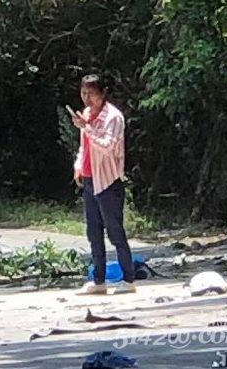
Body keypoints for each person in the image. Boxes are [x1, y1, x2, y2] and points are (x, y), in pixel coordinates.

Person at [71, 74, 135, 295]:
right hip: (90, 178)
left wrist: (87, 127)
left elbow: (107, 146)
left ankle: (128, 279)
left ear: (102, 94)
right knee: (93, 232)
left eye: (91, 93)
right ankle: (99, 280)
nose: (87, 98)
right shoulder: (87, 115)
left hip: (108, 180)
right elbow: (84, 147)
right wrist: (78, 165)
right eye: (83, 92)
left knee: (115, 231)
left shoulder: (113, 118)